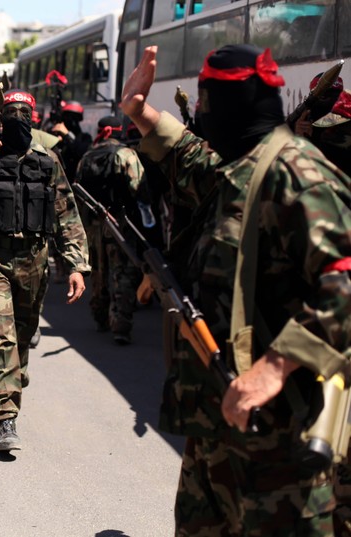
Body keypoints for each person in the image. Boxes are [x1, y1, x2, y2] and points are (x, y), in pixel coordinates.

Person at [121, 44, 351, 534]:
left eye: (210, 102)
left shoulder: (299, 175)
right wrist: (140, 113)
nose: (203, 114)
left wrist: (276, 365)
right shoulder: (244, 169)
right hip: (220, 429)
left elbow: (344, 280)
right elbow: (192, 159)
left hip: (281, 443)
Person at [0, 89, 89, 452]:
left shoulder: (48, 161)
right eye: (10, 111)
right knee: (2, 338)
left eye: (23, 112)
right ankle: (5, 416)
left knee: (24, 337)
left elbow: (66, 215)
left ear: (34, 118)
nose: (17, 118)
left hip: (34, 260)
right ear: (0, 118)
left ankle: (11, 383)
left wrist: (76, 265)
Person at [76, 115, 147, 345]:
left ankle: (100, 317)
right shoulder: (126, 155)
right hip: (120, 223)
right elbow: (139, 189)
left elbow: (77, 194)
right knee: (123, 272)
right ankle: (121, 323)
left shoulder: (86, 157)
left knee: (98, 271)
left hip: (93, 226)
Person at [292, 73, 351, 177]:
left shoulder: (345, 126)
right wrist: (300, 138)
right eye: (324, 97)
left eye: (336, 97)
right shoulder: (304, 122)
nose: (331, 102)